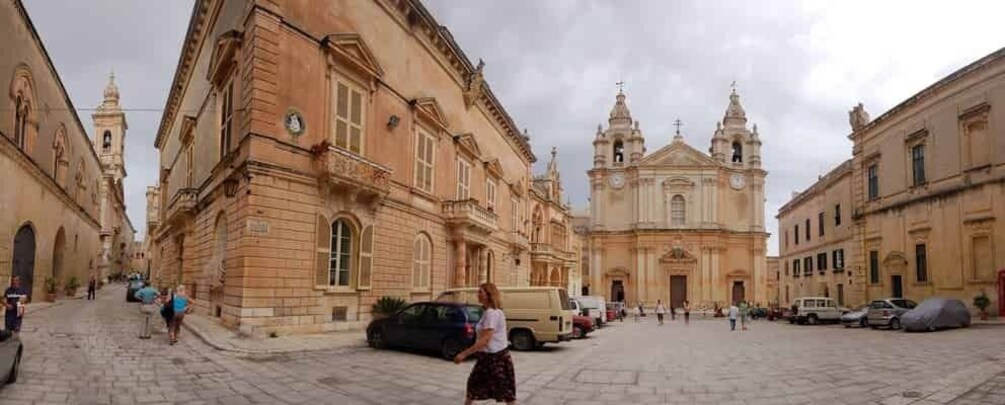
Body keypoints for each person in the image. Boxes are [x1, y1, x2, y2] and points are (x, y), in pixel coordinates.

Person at [454, 283, 516, 405]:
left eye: (480, 292)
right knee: (474, 385)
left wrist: (463, 354)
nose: (478, 295)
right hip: (490, 358)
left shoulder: (491, 313)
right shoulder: (494, 311)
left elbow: (484, 340)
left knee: (506, 392)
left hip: (495, 359)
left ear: (488, 295)